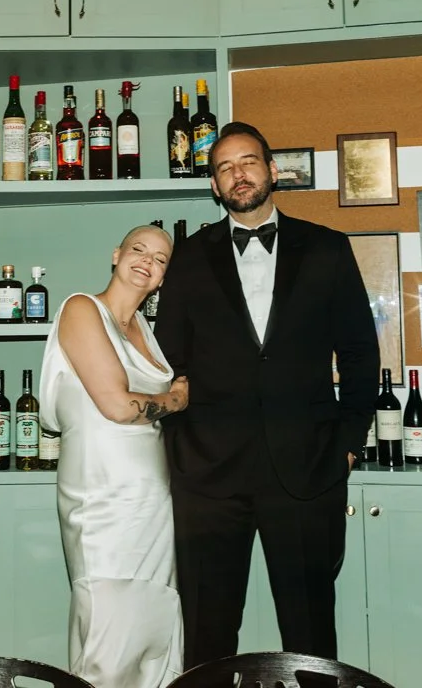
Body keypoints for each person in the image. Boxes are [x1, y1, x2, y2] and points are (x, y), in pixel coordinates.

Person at [155, 121, 379, 667]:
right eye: (224, 167)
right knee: (207, 633)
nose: (238, 174)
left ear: (272, 170)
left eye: (248, 161)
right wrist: (180, 445)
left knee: (309, 634)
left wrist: (348, 439)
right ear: (213, 185)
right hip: (208, 475)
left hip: (306, 469)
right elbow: (167, 359)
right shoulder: (186, 258)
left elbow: (358, 351)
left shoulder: (328, 249)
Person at [39, 224, 190, 688]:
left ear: (163, 277)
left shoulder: (145, 326)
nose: (147, 260)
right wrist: (177, 400)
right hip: (101, 497)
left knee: (152, 628)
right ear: (116, 255)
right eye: (138, 249)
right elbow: (119, 406)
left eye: (160, 258)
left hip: (151, 499)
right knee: (108, 632)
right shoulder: (82, 308)